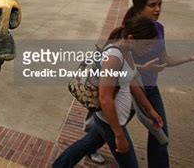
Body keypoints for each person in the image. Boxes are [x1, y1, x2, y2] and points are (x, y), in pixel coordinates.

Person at [53, 16, 164, 168]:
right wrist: (118, 134)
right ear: (131, 38)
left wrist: (150, 109)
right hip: (111, 121)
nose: (149, 49)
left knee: (84, 145)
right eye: (146, 44)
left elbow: (131, 82)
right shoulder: (114, 57)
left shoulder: (128, 51)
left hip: (109, 120)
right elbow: (105, 98)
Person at [118, 0, 194, 167]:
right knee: (105, 131)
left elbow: (164, 59)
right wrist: (147, 106)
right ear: (139, 8)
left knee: (160, 135)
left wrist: (189, 57)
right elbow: (121, 66)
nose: (157, 9)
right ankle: (84, 150)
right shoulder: (128, 33)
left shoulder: (159, 29)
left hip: (150, 89)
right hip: (129, 91)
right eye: (152, 5)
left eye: (160, 4)